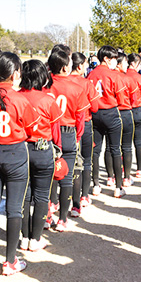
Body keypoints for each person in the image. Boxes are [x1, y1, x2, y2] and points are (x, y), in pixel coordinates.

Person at [0, 52, 38, 276]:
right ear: (14, 73)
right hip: (14, 153)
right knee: (14, 208)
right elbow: (31, 128)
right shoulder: (19, 98)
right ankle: (10, 260)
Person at [20, 59, 64, 240]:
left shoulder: (16, 96)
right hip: (42, 149)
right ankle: (35, 239)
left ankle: (23, 237)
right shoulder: (47, 100)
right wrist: (58, 151)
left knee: (23, 196)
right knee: (41, 196)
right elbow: (55, 129)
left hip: (21, 150)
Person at [46, 49, 90, 220]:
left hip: (49, 133)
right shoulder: (76, 88)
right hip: (68, 131)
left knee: (49, 175)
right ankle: (63, 219)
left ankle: (48, 215)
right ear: (65, 68)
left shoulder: (45, 86)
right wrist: (77, 136)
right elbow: (81, 118)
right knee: (67, 176)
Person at [87, 46, 127, 197]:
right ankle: (118, 187)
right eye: (113, 59)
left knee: (95, 150)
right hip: (110, 112)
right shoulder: (112, 75)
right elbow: (122, 99)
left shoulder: (91, 74)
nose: (115, 62)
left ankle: (96, 184)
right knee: (115, 149)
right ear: (106, 58)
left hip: (95, 113)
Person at [70, 52, 100, 199]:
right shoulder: (86, 83)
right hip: (84, 123)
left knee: (68, 161)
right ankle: (83, 196)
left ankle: (60, 198)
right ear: (80, 65)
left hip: (66, 126)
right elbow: (95, 107)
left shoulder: (62, 81)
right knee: (86, 161)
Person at [112, 51, 136, 186]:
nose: (128, 64)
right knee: (126, 146)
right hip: (124, 112)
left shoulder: (109, 76)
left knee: (112, 147)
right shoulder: (127, 78)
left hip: (112, 113)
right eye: (126, 62)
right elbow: (135, 100)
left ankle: (111, 177)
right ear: (119, 63)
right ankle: (126, 177)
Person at [127, 53, 141, 179]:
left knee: (125, 143)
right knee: (139, 142)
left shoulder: (122, 76)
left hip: (125, 111)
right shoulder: (140, 78)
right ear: (134, 64)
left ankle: (125, 169)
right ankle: (140, 169)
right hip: (137, 110)